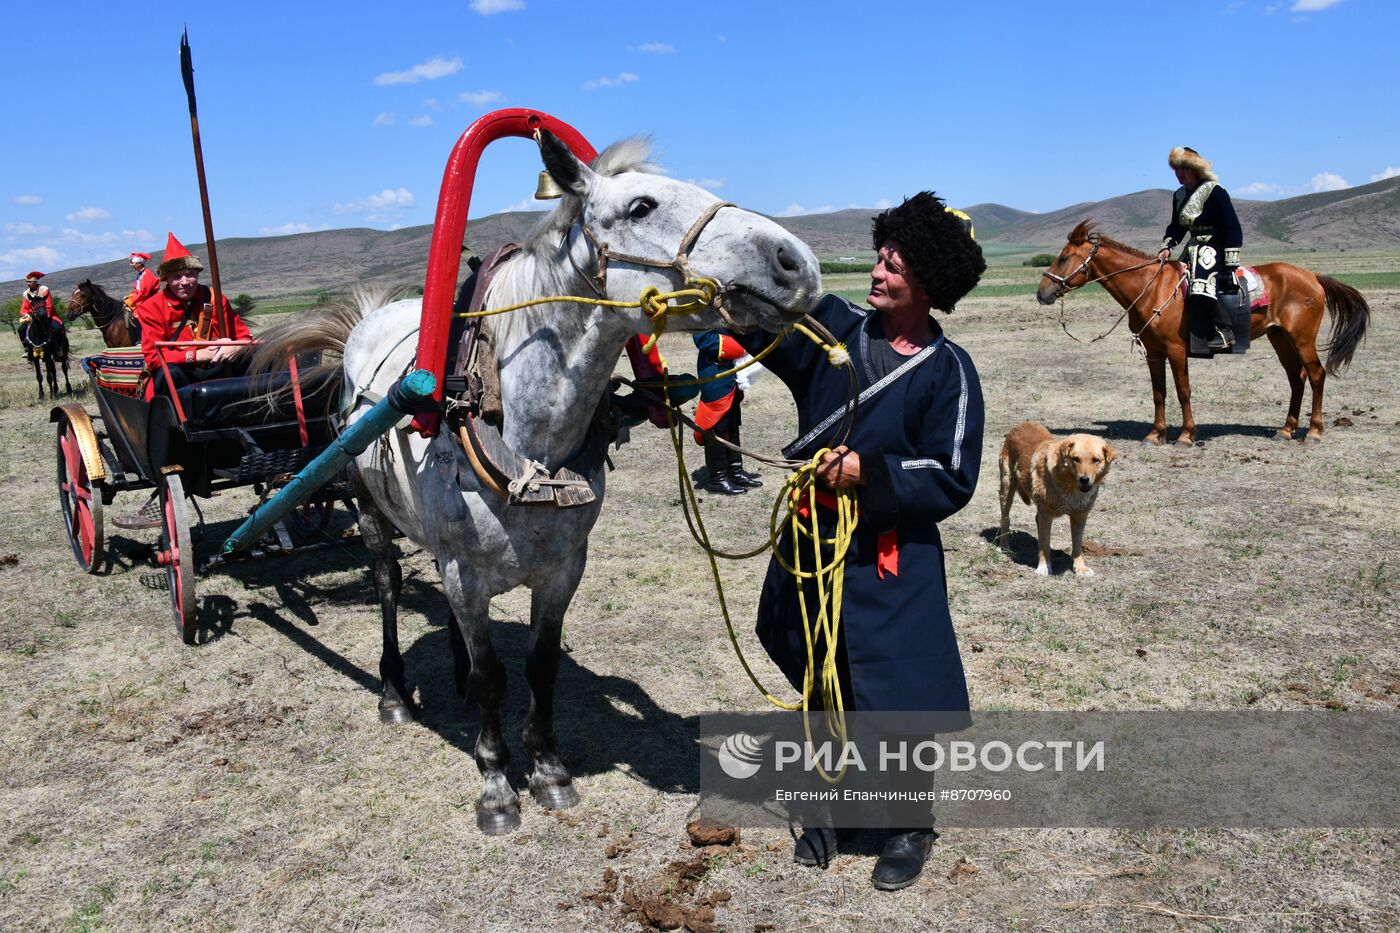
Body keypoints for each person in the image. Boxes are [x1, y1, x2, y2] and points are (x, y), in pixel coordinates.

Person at [731, 193, 985, 891]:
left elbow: (953, 474)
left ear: (927, 282)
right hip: (812, 538)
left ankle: (909, 822)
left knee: (897, 687)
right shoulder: (837, 328)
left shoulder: (949, 369)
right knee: (819, 669)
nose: (876, 272)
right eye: (878, 257)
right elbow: (765, 319)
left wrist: (868, 472)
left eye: (892, 265)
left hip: (888, 554)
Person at [134, 232, 252, 400]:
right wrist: (197, 355)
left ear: (197, 274)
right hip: (181, 376)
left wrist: (236, 347)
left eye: (190, 274)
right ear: (166, 278)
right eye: (177, 276)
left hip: (217, 370)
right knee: (170, 373)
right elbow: (154, 359)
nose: (185, 281)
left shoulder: (214, 299)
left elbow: (244, 337)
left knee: (252, 360)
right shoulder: (151, 308)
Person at [1157, 146, 1243, 353]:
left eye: (1183, 169)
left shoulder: (1215, 191)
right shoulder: (1179, 195)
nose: (1179, 174)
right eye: (1176, 170)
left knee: (1201, 283)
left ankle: (1224, 331)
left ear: (1194, 169)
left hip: (1215, 246)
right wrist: (1167, 245)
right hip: (1193, 247)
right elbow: (1176, 227)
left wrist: (1231, 262)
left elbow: (1232, 225)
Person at [692, 329, 762, 495]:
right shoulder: (703, 311)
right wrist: (741, 348)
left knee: (732, 423)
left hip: (732, 372)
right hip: (715, 372)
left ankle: (735, 472)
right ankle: (718, 479)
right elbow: (702, 338)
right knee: (716, 425)